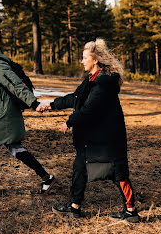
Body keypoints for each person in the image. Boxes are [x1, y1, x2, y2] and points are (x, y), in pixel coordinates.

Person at [38, 39, 140, 223]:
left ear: (95, 60)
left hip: (109, 137)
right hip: (95, 135)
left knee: (118, 173)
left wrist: (69, 122)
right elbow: (75, 98)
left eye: (85, 58)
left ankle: (131, 212)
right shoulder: (92, 79)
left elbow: (89, 109)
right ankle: (74, 206)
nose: (81, 61)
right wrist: (51, 105)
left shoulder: (103, 83)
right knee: (80, 166)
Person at [0, 41, 55, 196]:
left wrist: (34, 103)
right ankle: (47, 178)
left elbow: (15, 84)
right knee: (15, 148)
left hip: (3, 115)